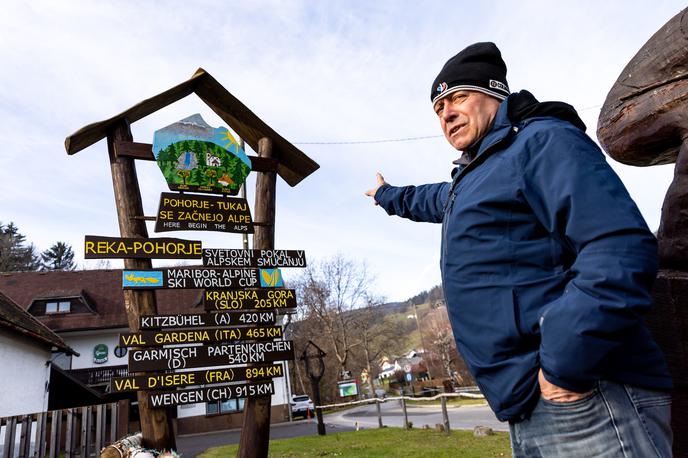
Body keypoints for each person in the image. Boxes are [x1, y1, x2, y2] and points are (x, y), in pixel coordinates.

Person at [365, 42, 673, 457]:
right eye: (438, 108)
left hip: (587, 395)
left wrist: (563, 363)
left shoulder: (541, 142)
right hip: (530, 402)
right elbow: (428, 198)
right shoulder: (472, 179)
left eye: (458, 97)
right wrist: (387, 195)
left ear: (495, 94)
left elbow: (618, 247)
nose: (446, 114)